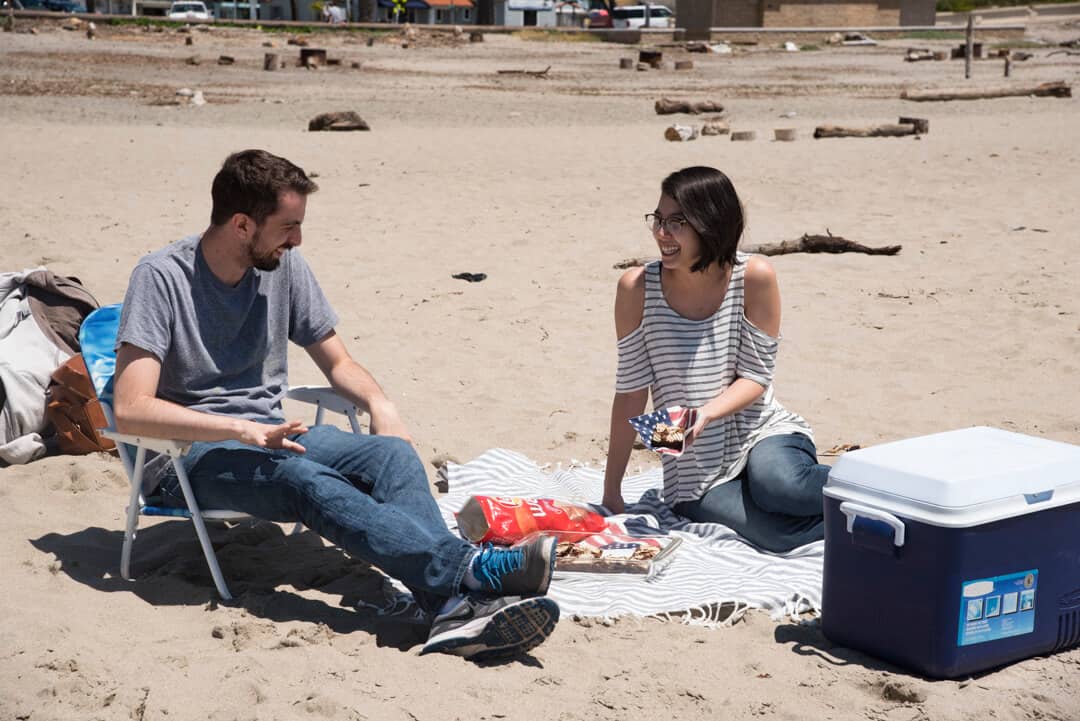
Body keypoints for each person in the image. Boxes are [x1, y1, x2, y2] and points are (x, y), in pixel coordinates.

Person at [112, 149, 559, 661]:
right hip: (186, 454)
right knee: (299, 479)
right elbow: (130, 408)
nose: (297, 240)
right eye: (288, 226)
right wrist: (236, 429)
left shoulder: (284, 267)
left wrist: (380, 405)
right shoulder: (161, 277)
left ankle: (448, 605)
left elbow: (337, 362)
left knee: (390, 455)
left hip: (272, 436)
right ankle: (468, 572)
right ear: (241, 224)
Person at [601, 166, 829, 554]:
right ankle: (860, 523)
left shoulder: (753, 276)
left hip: (759, 431)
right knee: (777, 536)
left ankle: (882, 490)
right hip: (691, 466)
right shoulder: (636, 288)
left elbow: (757, 376)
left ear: (711, 225)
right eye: (658, 219)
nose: (661, 233)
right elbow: (631, 393)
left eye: (676, 222)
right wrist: (612, 491)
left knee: (780, 488)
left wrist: (705, 414)